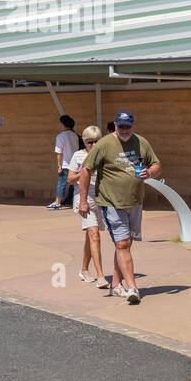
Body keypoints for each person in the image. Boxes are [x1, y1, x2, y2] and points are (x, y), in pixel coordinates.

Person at [77, 109, 160, 304]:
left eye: (127, 126)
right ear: (115, 125)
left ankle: (116, 284)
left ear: (133, 125)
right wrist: (82, 201)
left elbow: (156, 164)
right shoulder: (104, 144)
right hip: (111, 202)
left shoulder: (141, 142)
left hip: (134, 201)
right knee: (122, 244)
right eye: (120, 126)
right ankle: (132, 287)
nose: (124, 129)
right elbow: (85, 171)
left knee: (125, 244)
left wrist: (149, 172)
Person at [67, 125, 107, 287]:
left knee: (91, 237)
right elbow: (69, 179)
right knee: (94, 235)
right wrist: (84, 172)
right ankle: (101, 276)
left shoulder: (104, 155)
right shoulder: (78, 155)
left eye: (97, 141)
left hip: (101, 199)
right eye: (90, 142)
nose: (93, 145)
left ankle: (84, 269)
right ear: (84, 141)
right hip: (84, 199)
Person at [47, 115, 82, 209]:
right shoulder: (75, 135)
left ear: (63, 124)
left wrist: (59, 166)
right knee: (76, 183)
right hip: (76, 163)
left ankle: (57, 202)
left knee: (61, 183)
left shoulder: (60, 136)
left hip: (66, 164)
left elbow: (59, 152)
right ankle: (77, 201)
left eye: (60, 123)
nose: (59, 125)